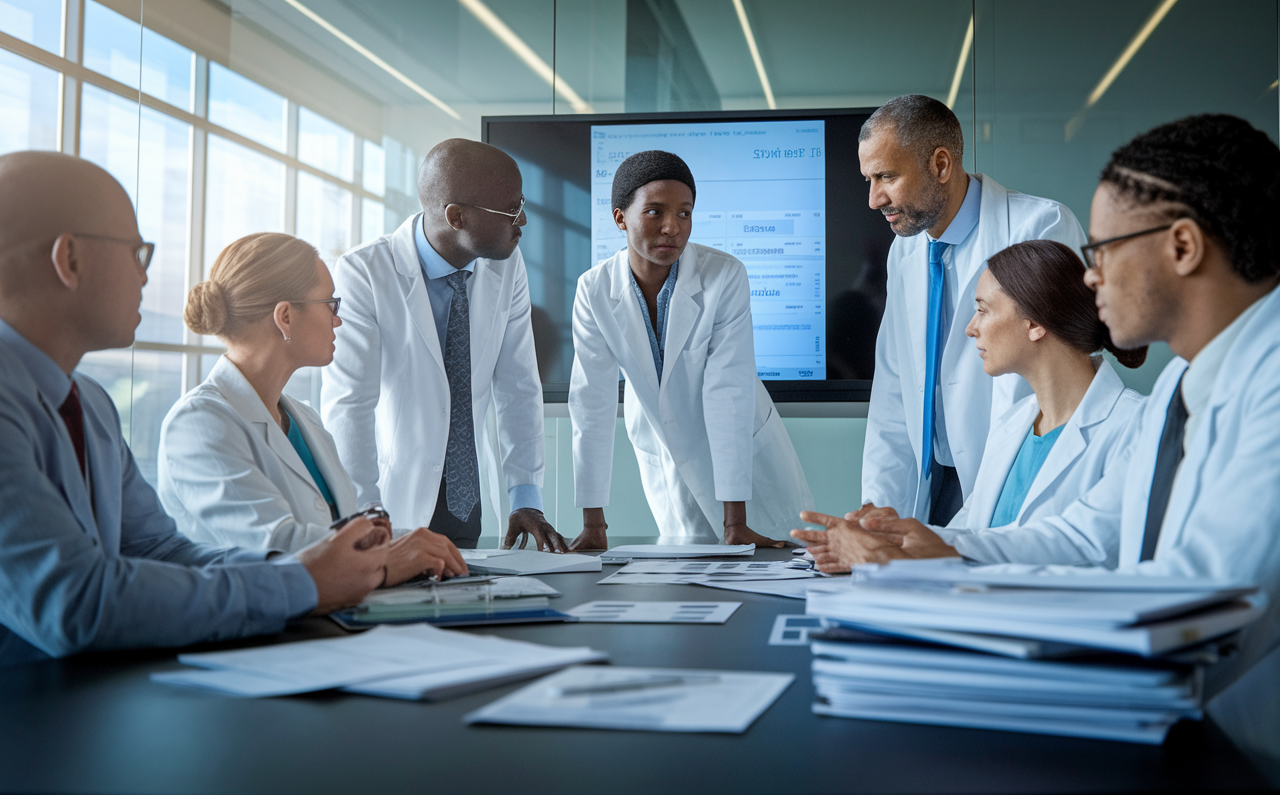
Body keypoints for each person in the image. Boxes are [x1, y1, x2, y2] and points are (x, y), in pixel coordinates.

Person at [799, 115, 1280, 761]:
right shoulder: (1182, 388)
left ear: (1184, 247)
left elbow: (1199, 603)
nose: (1087, 278)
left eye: (1102, 250)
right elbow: (1087, 536)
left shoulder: (1269, 383)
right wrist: (933, 548)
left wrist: (941, 584)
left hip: (1237, 746)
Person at [0, 151, 388, 666]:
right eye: (138, 253)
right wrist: (300, 582)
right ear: (69, 259)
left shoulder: (90, 404)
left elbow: (162, 551)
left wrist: (308, 573)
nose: (145, 278)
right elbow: (75, 601)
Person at [795, 239, 1146, 569]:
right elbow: (971, 531)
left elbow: (1088, 547)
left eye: (982, 310)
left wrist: (926, 552)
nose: (970, 328)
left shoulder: (1134, 427)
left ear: (1035, 323)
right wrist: (891, 538)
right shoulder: (1015, 425)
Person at [157, 232, 468, 584]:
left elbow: (350, 534)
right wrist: (395, 555)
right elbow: (275, 547)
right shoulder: (198, 425)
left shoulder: (305, 419)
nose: (338, 320)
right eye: (330, 304)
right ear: (285, 317)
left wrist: (416, 543)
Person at [322, 139, 566, 552]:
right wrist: (364, 512)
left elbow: (519, 385)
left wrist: (526, 498)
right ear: (456, 217)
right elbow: (349, 404)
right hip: (389, 501)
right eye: (510, 209)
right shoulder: (364, 272)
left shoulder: (507, 265)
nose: (522, 219)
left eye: (521, 203)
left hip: (465, 500)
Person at [858, 94, 1087, 527]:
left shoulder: (1038, 228)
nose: (874, 199)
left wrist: (973, 524)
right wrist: (878, 510)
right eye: (869, 179)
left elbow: (1043, 390)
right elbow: (894, 386)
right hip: (935, 483)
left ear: (941, 165)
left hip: (1010, 482)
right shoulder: (904, 251)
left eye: (886, 176)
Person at [568, 151, 813, 548]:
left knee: (770, 572)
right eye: (654, 212)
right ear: (620, 218)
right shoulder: (593, 288)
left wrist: (735, 522)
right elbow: (590, 401)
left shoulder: (724, 275)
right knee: (688, 573)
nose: (672, 227)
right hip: (664, 451)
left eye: (684, 213)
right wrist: (594, 525)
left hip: (745, 458)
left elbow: (728, 391)